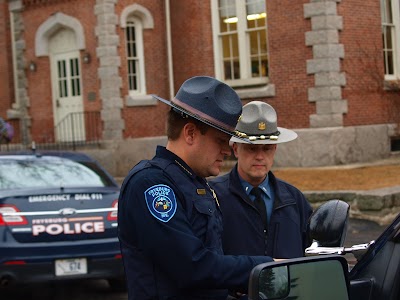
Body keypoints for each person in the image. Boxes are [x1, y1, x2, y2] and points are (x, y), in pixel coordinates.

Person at [117, 77, 275, 300]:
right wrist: (265, 267)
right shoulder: (151, 184)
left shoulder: (194, 181)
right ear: (190, 133)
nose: (227, 151)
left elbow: (210, 272)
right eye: (220, 141)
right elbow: (192, 267)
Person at [210, 101, 313, 258]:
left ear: (275, 149)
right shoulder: (214, 197)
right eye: (252, 148)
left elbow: (311, 255)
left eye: (267, 148)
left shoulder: (294, 200)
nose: (260, 156)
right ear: (236, 149)